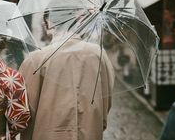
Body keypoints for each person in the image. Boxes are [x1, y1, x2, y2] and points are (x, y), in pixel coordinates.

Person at [19, 11, 115, 140]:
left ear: (48, 22)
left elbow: (25, 109)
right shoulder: (98, 55)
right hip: (89, 133)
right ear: (77, 21)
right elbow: (105, 101)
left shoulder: (36, 59)